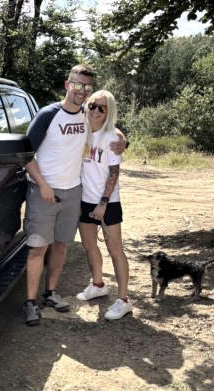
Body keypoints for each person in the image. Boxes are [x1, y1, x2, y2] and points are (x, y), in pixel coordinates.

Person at [23, 64, 124, 326]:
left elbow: (109, 132)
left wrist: (125, 141)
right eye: (77, 85)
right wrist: (43, 184)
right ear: (68, 84)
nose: (82, 91)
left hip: (73, 192)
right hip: (44, 191)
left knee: (60, 245)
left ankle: (51, 293)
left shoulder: (86, 115)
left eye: (87, 87)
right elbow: (24, 155)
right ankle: (31, 303)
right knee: (37, 248)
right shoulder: (48, 114)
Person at [76, 90, 132, 320]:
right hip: (84, 199)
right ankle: (98, 284)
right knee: (89, 246)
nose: (96, 111)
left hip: (107, 202)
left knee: (115, 249)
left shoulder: (112, 137)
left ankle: (123, 300)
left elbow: (114, 173)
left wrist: (103, 203)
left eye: (102, 108)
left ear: (109, 111)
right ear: (86, 106)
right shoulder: (80, 131)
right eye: (93, 106)